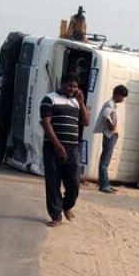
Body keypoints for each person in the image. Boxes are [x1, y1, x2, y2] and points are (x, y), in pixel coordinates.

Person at [40, 73, 90, 226]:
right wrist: (57, 145)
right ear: (62, 84)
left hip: (72, 148)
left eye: (75, 86)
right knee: (53, 182)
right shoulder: (49, 99)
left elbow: (86, 122)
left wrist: (81, 103)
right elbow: (46, 123)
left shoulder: (77, 102)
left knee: (74, 182)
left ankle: (67, 206)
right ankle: (56, 216)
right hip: (52, 148)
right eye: (69, 85)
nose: (72, 89)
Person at [93, 85, 129, 193]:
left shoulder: (113, 105)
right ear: (118, 95)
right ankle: (104, 186)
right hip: (109, 135)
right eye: (122, 97)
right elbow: (106, 115)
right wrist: (111, 126)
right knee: (105, 161)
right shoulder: (110, 104)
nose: (123, 100)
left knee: (106, 160)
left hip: (111, 135)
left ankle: (105, 183)